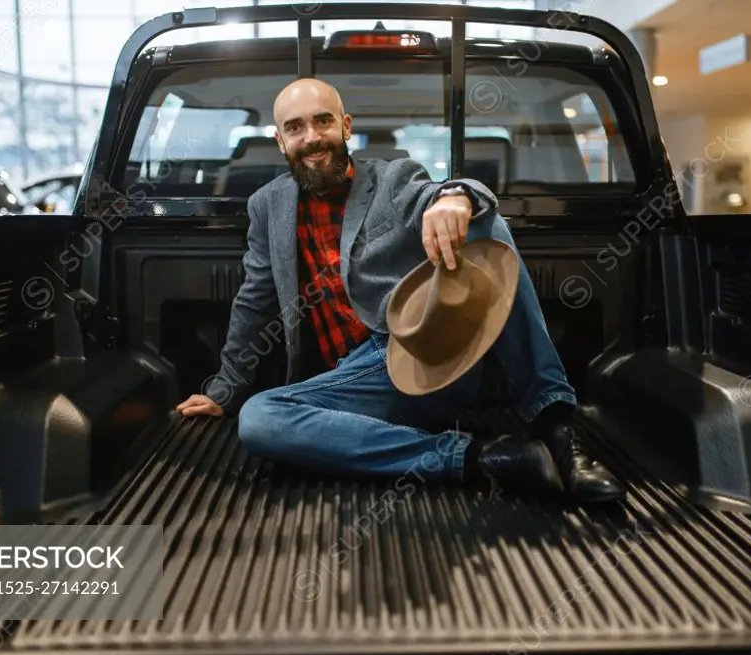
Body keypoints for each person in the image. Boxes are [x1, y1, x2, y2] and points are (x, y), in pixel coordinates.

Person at [175, 78, 623, 502]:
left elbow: (446, 194)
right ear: (280, 141)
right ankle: (483, 456)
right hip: (354, 386)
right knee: (259, 419)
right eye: (295, 128)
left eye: (323, 121)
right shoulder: (267, 206)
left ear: (345, 126)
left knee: (486, 222)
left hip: (422, 353)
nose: (312, 137)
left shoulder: (392, 179)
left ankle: (557, 428)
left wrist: (455, 197)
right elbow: (255, 300)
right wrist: (224, 391)